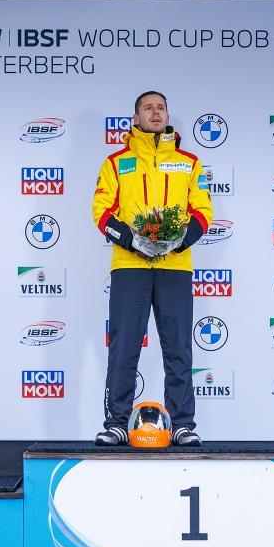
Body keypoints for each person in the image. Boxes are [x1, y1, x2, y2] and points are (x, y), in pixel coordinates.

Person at [91, 91, 213, 446]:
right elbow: (101, 212)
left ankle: (182, 424)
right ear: (136, 118)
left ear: (168, 116)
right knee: (124, 346)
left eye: (161, 107)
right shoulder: (116, 163)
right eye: (148, 108)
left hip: (175, 266)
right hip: (130, 265)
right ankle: (116, 423)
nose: (155, 112)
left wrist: (178, 240)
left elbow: (203, 211)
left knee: (178, 348)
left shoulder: (189, 163)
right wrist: (133, 240)